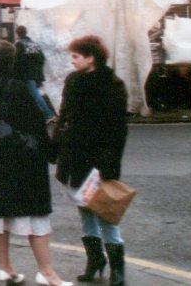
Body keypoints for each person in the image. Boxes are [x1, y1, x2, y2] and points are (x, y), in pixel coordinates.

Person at [0, 40, 72, 286]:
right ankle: (46, 272)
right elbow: (37, 127)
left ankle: (5, 268)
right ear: (12, 60)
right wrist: (52, 151)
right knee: (35, 217)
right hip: (24, 162)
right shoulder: (19, 89)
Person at [53, 35, 129, 286]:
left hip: (99, 158)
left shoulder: (112, 84)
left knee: (105, 210)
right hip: (74, 155)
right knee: (84, 209)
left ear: (90, 58)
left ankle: (118, 268)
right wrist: (56, 144)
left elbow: (118, 129)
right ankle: (95, 260)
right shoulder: (73, 80)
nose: (72, 61)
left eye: (75, 56)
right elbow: (63, 115)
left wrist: (109, 164)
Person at [14, 26, 55, 121]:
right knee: (36, 94)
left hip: (26, 74)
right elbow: (41, 58)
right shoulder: (33, 44)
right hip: (35, 73)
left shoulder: (19, 44)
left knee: (35, 95)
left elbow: (17, 60)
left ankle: (48, 114)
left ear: (17, 33)